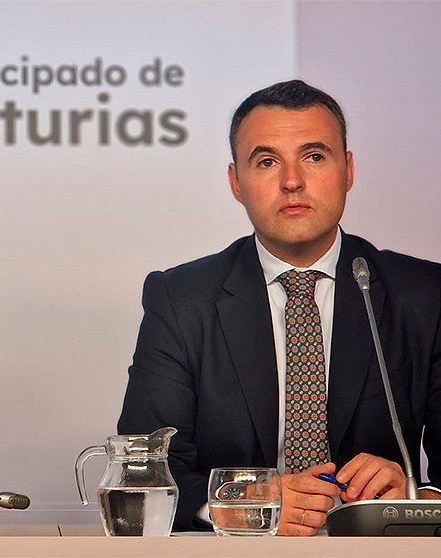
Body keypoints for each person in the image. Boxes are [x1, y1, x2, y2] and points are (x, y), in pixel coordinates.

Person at [117, 80, 441, 535]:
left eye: (314, 156)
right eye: (267, 161)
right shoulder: (181, 299)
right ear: (236, 182)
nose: (292, 181)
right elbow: (142, 476)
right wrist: (239, 505)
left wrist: (417, 497)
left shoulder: (424, 295)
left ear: (348, 171)